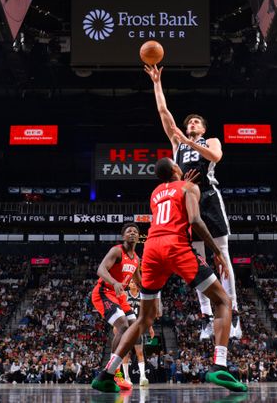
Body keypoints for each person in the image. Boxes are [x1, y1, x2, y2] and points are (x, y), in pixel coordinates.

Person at [92, 157, 247, 393]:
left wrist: (181, 184)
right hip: (176, 246)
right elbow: (194, 219)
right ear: (176, 169)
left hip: (152, 249)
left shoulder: (155, 193)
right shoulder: (189, 187)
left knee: (144, 319)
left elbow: (170, 195)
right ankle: (219, 365)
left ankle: (107, 373)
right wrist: (217, 252)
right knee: (223, 300)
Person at [144, 64, 241, 340]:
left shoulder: (210, 140)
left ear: (203, 127)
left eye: (197, 122)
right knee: (197, 260)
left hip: (209, 197)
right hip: (187, 202)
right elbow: (164, 113)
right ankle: (207, 317)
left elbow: (215, 157)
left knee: (222, 254)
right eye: (190, 122)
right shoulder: (179, 143)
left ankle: (234, 314)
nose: (192, 124)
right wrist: (156, 83)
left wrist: (191, 141)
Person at [91, 223, 142, 391]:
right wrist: (114, 282)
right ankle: (114, 373)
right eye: (129, 231)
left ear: (139, 237)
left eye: (135, 231)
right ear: (123, 236)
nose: (133, 233)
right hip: (104, 292)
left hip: (120, 297)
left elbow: (140, 283)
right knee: (123, 326)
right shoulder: (116, 251)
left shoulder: (136, 259)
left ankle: (114, 370)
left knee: (135, 330)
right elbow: (100, 269)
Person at [125, 279, 161, 387]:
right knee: (126, 354)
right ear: (128, 284)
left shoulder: (142, 296)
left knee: (139, 352)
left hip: (137, 327)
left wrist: (150, 328)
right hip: (126, 327)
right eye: (131, 282)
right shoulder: (124, 295)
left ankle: (143, 377)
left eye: (135, 282)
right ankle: (126, 377)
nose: (133, 283)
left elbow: (146, 313)